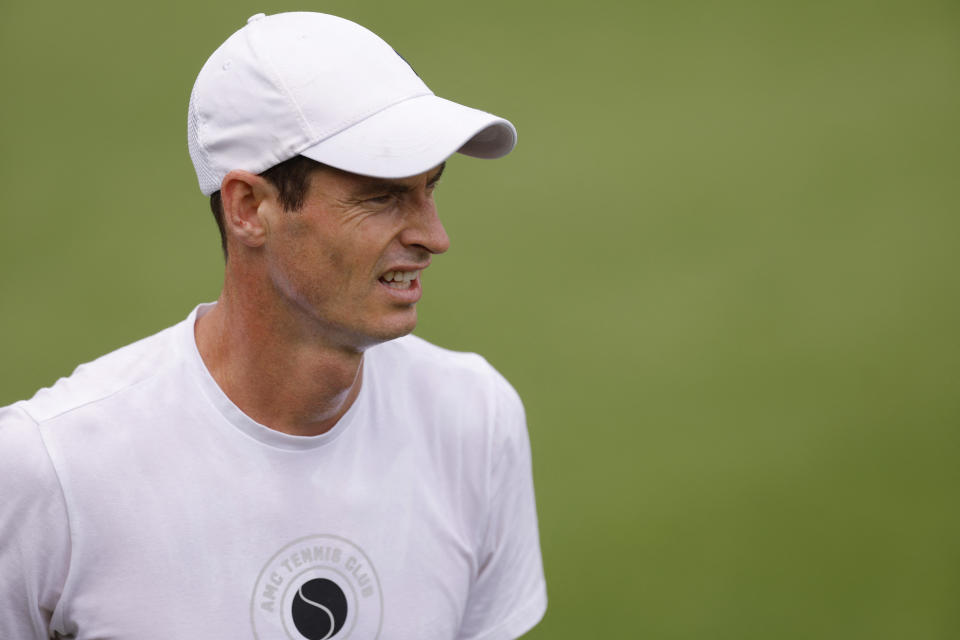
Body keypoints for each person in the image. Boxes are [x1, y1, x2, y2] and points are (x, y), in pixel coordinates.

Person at [0, 12, 546, 640]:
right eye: (381, 196)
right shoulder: (48, 470)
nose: (434, 236)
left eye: (431, 188)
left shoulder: (475, 421)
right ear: (249, 209)